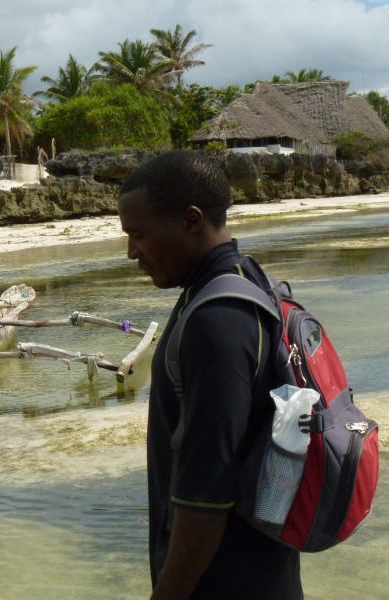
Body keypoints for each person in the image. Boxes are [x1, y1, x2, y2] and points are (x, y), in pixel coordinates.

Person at [117, 150, 302, 600]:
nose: (132, 252)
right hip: (264, 572)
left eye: (138, 234)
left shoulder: (216, 320)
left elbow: (206, 497)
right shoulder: (247, 280)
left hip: (227, 582)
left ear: (190, 221)